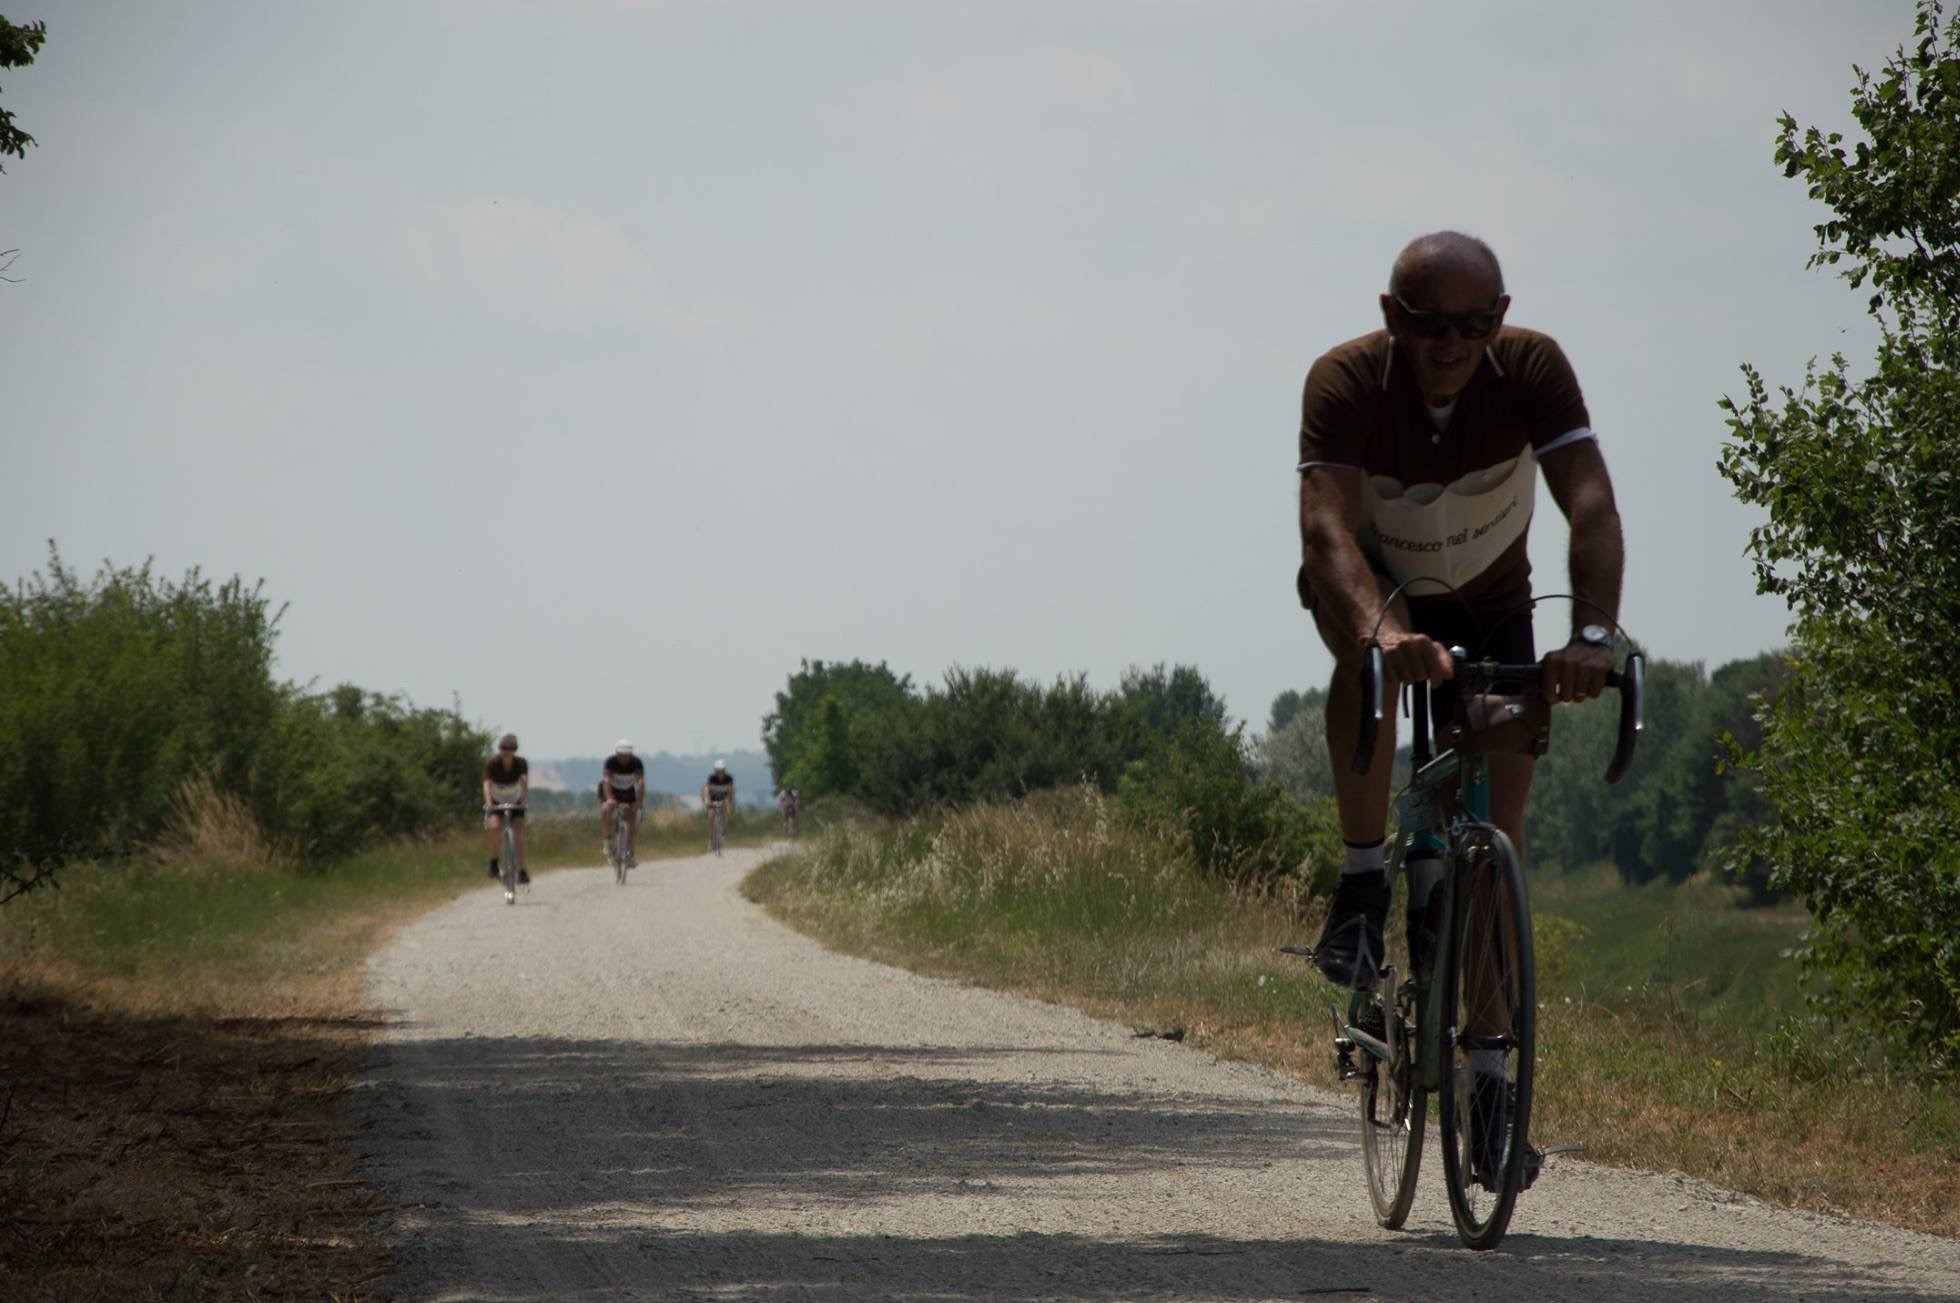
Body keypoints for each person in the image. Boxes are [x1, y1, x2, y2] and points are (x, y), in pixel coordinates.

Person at [1296, 231, 1624, 1180]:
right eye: (1433, 323)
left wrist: (1594, 638)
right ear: (1393, 318)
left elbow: (1592, 506)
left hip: (1493, 605)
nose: (1453, 341)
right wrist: (1382, 632)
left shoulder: (1530, 370)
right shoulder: (1347, 382)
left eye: (1475, 322)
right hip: (1377, 589)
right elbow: (1325, 527)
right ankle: (1365, 879)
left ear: (1501, 319)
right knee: (1363, 666)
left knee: (1499, 830)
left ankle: (1489, 1081)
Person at [482, 733, 530, 885]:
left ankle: (521, 870)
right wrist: (489, 802)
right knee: (495, 827)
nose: (506, 751)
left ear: (515, 749)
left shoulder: (521, 763)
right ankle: (494, 861)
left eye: (510, 748)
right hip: (496, 799)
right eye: (503, 748)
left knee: (519, 833)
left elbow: (523, 782)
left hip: (514, 798)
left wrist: (523, 800)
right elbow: (487, 784)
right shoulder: (492, 763)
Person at [601, 739, 646, 866]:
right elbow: (606, 781)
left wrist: (639, 802)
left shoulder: (636, 763)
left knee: (632, 819)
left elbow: (640, 783)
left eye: (627, 755)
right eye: (621, 755)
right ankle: (608, 842)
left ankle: (630, 854)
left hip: (627, 792)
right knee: (605, 811)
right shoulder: (610, 762)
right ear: (617, 754)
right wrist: (609, 798)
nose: (625, 758)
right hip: (612, 791)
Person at [702, 760, 735, 843]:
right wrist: (707, 800)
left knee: (726, 809)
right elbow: (707, 790)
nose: (720, 773)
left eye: (722, 770)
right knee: (711, 815)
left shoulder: (728, 778)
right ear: (715, 771)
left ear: (724, 770)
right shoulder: (712, 778)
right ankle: (711, 839)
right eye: (718, 771)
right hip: (713, 800)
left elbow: (730, 791)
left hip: (724, 799)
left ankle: (725, 829)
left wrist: (729, 800)